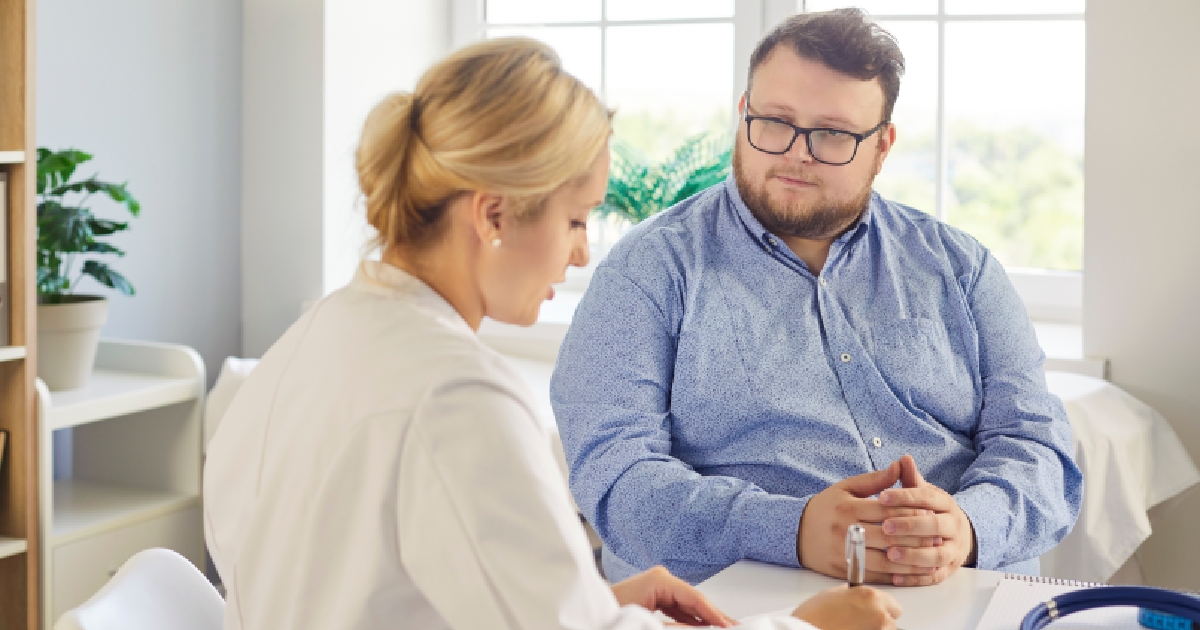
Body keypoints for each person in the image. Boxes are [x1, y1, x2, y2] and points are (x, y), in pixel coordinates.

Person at [203, 37, 903, 630]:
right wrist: (804, 625)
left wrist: (594, 603)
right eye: (575, 219)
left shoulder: (316, 338)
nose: (580, 254)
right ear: (495, 215)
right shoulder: (456, 397)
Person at [551, 8, 1083, 587]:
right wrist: (791, 529)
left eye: (833, 133)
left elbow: (1039, 446)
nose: (797, 152)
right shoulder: (646, 271)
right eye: (775, 120)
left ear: (882, 146)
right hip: (751, 601)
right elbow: (615, 476)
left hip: (966, 593)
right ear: (743, 113)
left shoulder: (963, 268)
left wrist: (969, 526)